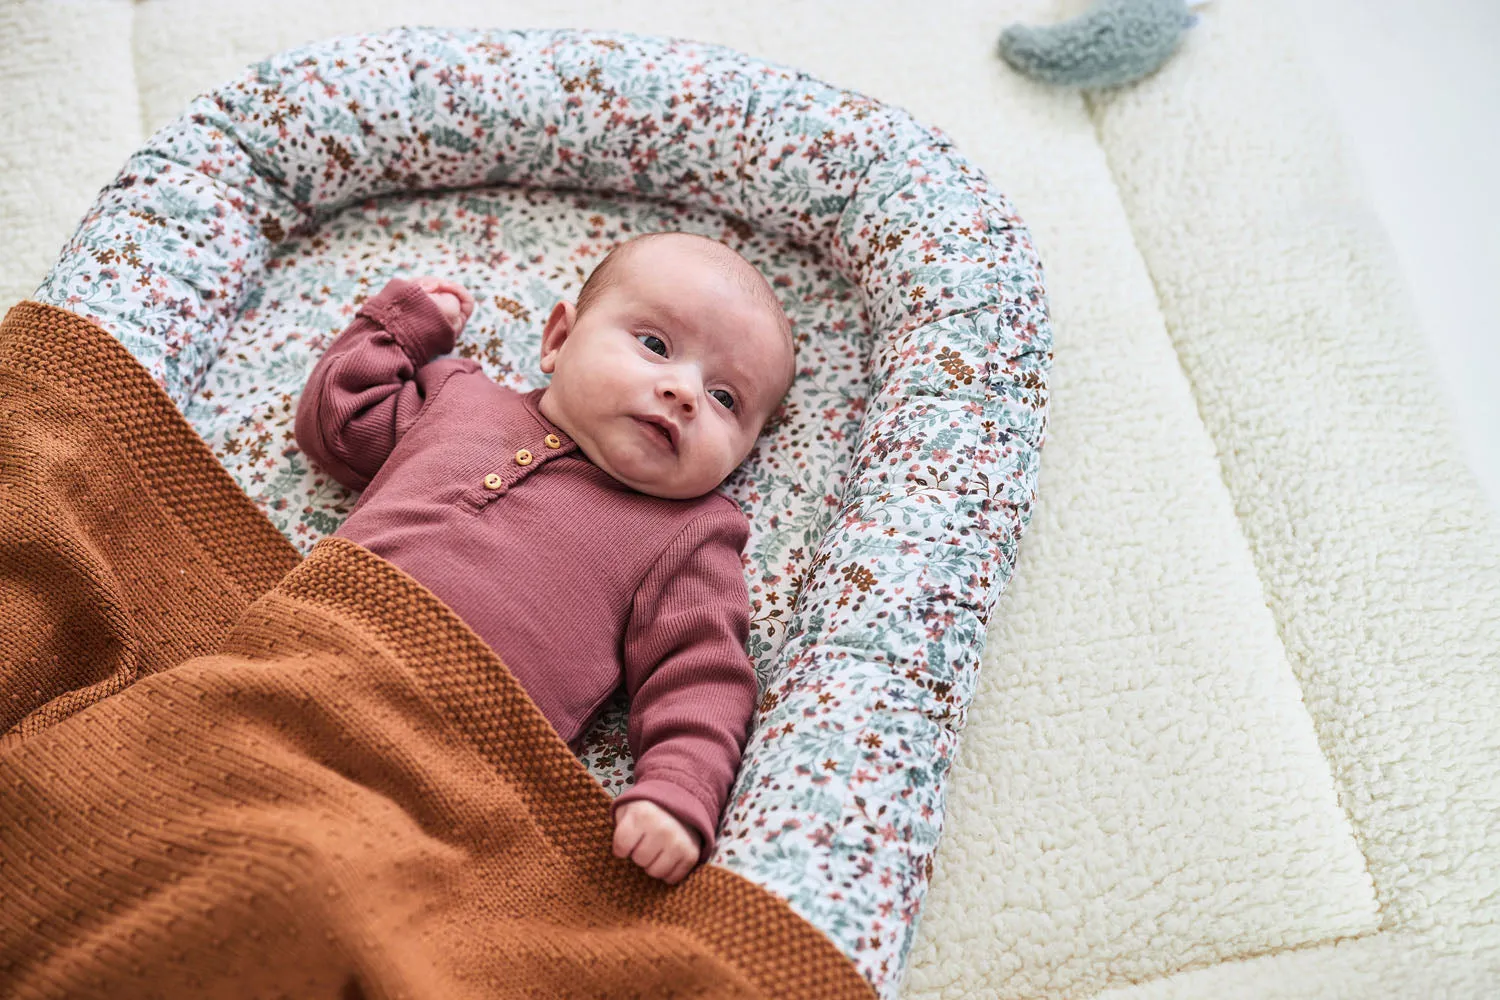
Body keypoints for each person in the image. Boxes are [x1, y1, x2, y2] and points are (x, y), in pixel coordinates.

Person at [293, 232, 797, 885]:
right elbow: (337, 424)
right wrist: (406, 327)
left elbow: (700, 676)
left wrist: (678, 791)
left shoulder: (687, 533)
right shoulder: (457, 398)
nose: (683, 391)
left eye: (727, 399)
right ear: (559, 339)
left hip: (451, 760)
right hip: (304, 658)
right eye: (654, 345)